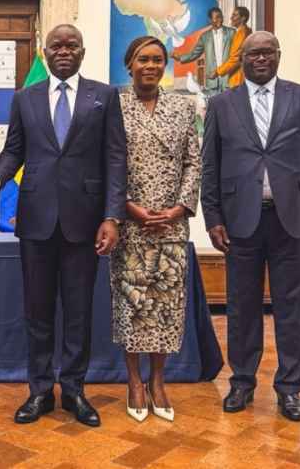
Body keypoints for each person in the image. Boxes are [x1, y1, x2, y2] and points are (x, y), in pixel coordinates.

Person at [0, 24, 127, 427]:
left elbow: (116, 158)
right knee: (38, 311)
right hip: (36, 221)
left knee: (79, 311)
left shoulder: (105, 95)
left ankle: (75, 391)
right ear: (45, 53)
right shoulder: (24, 98)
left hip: (85, 222)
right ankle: (40, 391)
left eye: (71, 45)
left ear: (83, 51)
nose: (64, 51)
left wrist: (112, 216)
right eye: (56, 46)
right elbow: (14, 152)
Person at [201, 31, 300, 422]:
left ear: (278, 55)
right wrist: (213, 217)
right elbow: (212, 165)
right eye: (252, 53)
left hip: (289, 219)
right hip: (240, 219)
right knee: (241, 306)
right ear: (241, 59)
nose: (260, 59)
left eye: (267, 52)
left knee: (292, 306)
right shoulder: (222, 104)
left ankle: (289, 389)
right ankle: (242, 382)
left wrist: (296, 186)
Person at [112, 36, 201, 423]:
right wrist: (126, 207)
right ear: (129, 63)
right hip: (130, 225)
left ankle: (159, 380)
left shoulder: (183, 107)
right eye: (142, 59)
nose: (150, 65)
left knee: (165, 307)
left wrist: (180, 207)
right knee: (133, 306)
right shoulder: (113, 104)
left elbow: (194, 162)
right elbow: (107, 162)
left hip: (171, 225)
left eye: (157, 60)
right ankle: (134, 381)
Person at [172, 7, 235, 96]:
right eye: (216, 17)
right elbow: (195, 53)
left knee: (229, 107)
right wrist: (180, 58)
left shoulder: (232, 33)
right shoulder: (205, 37)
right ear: (210, 20)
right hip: (212, 81)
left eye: (221, 17)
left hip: (229, 79)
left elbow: (237, 54)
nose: (219, 20)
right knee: (214, 107)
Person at [213, 6, 252, 88]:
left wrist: (218, 72)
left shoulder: (241, 33)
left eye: (234, 15)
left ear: (243, 18)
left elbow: (235, 59)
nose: (231, 18)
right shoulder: (247, 31)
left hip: (238, 79)